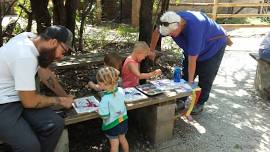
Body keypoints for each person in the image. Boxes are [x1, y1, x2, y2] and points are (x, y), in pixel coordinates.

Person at [0, 25, 74, 152]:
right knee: (29, 146)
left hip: (18, 97)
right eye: (63, 51)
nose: (61, 57)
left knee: (55, 124)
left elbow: (45, 74)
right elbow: (30, 102)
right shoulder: (25, 55)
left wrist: (65, 96)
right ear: (53, 42)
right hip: (3, 102)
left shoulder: (32, 39)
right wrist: (59, 101)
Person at [150, 11, 228, 115]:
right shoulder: (170, 21)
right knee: (185, 74)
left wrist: (190, 83)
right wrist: (151, 50)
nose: (169, 35)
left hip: (213, 46)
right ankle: (181, 100)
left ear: (178, 26)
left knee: (206, 76)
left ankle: (200, 103)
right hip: (193, 48)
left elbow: (192, 60)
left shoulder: (195, 29)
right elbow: (157, 32)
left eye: (171, 33)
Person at [97, 67, 129, 152]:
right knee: (123, 139)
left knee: (114, 145)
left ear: (103, 84)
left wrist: (98, 111)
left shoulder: (105, 99)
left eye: (99, 83)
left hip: (112, 125)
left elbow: (105, 116)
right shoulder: (121, 90)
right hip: (123, 121)